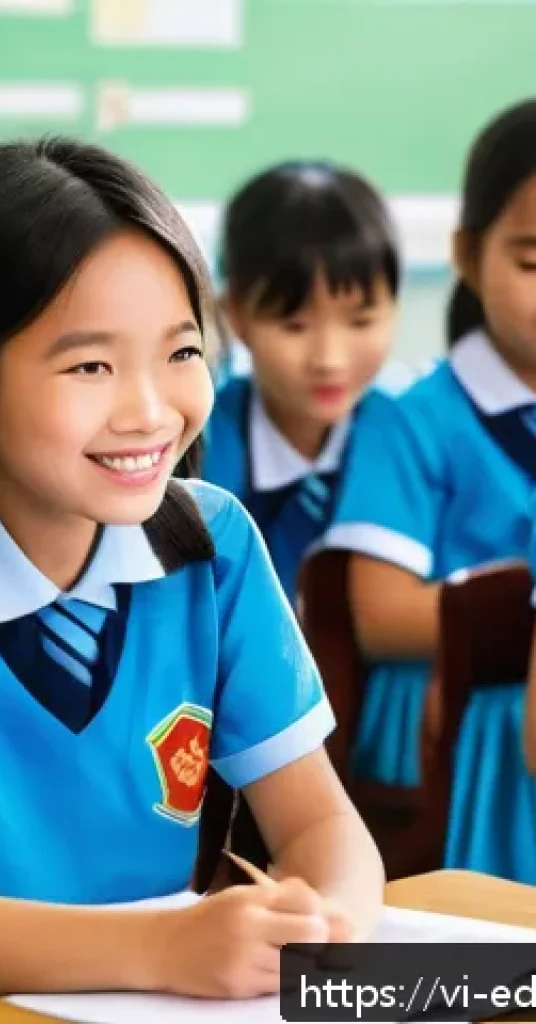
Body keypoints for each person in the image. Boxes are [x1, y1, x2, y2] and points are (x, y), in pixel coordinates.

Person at [0, 137, 383, 1023]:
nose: (150, 410)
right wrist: (165, 949)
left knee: (487, 992)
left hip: (159, 999)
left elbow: (322, 826)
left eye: (181, 353)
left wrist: (325, 932)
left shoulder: (214, 546)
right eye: (91, 366)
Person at [327, 98, 536, 881]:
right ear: (468, 254)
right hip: (457, 712)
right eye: (533, 264)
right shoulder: (412, 419)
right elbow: (380, 616)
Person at [201, 161, 399, 604]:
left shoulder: (413, 439)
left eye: (361, 321)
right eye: (294, 326)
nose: (329, 360)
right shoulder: (197, 449)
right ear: (236, 313)